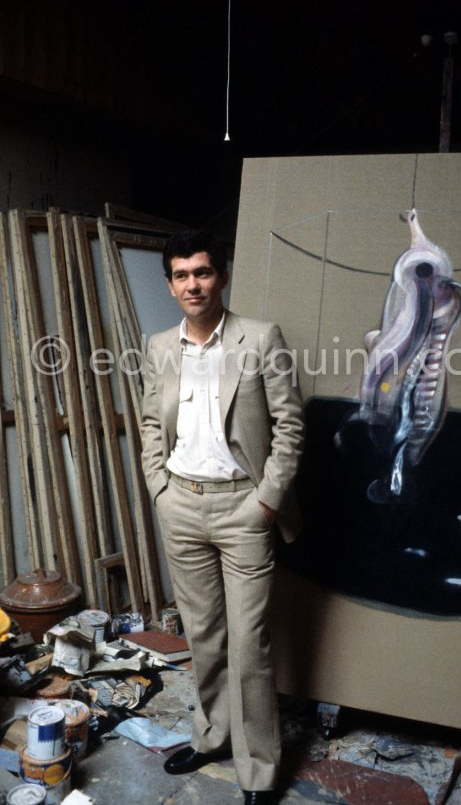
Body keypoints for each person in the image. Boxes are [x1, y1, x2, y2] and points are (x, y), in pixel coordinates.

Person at [140, 229, 305, 805]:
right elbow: (150, 425)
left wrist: (266, 501)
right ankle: (211, 736)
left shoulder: (259, 338)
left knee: (250, 644)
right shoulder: (160, 346)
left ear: (221, 277)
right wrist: (158, 487)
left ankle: (258, 768)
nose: (194, 284)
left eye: (203, 272)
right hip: (180, 504)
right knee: (204, 636)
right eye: (182, 275)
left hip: (243, 507)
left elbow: (290, 426)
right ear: (170, 285)